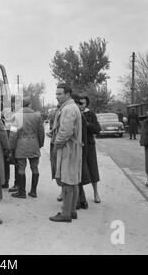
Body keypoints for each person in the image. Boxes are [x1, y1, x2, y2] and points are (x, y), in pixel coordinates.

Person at [49, 83, 82, 223]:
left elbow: (66, 131)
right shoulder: (71, 107)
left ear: (68, 94)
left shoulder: (68, 109)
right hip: (72, 148)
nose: (57, 97)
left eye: (59, 94)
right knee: (73, 181)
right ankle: (72, 211)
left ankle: (66, 213)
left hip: (68, 149)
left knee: (68, 182)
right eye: (56, 94)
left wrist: (56, 145)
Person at [9, 98, 45, 198]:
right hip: (34, 144)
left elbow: (13, 134)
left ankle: (22, 192)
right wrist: (40, 144)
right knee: (35, 167)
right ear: (29, 104)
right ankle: (33, 191)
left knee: (21, 167)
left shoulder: (16, 116)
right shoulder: (37, 116)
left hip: (21, 145)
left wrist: (11, 147)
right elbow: (41, 132)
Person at [79, 95, 102, 204]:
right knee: (76, 170)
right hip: (78, 145)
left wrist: (87, 124)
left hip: (89, 145)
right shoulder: (75, 113)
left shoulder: (90, 114)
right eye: (79, 103)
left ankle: (96, 193)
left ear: (86, 104)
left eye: (83, 103)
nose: (81, 105)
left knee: (92, 169)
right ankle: (76, 194)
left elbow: (97, 129)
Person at [72, 94, 91, 209]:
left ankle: (78, 201)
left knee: (76, 175)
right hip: (82, 147)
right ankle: (82, 200)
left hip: (79, 148)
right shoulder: (80, 115)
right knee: (77, 174)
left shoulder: (78, 115)